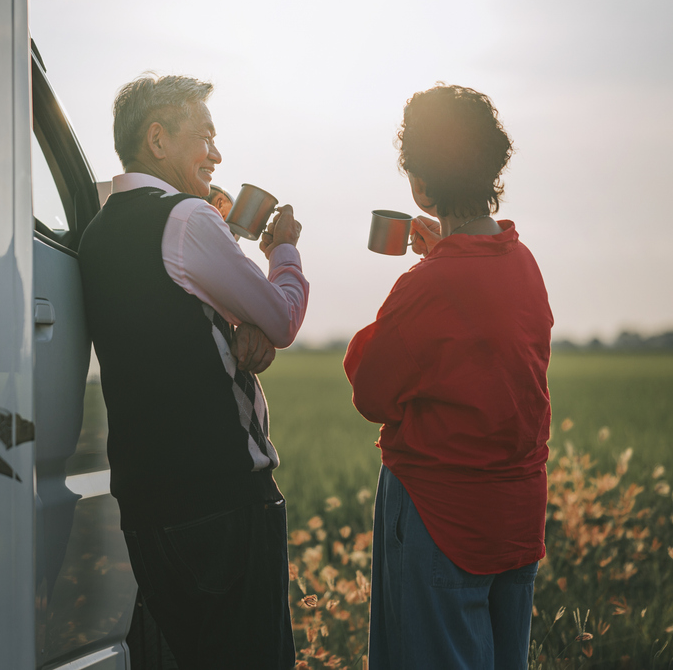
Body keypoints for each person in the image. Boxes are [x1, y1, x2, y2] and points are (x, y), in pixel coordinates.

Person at [79, 73, 308, 670]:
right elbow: (282, 318)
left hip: (147, 507)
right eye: (204, 136)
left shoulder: (98, 232)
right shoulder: (186, 219)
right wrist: (282, 251)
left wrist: (236, 327)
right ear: (158, 139)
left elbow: (168, 317)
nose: (217, 153)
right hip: (225, 497)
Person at [344, 84, 552, 670]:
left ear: (420, 184)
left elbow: (371, 390)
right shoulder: (522, 262)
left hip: (442, 517)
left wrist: (428, 274)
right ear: (492, 170)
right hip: (514, 519)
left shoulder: (428, 286)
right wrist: (442, 257)